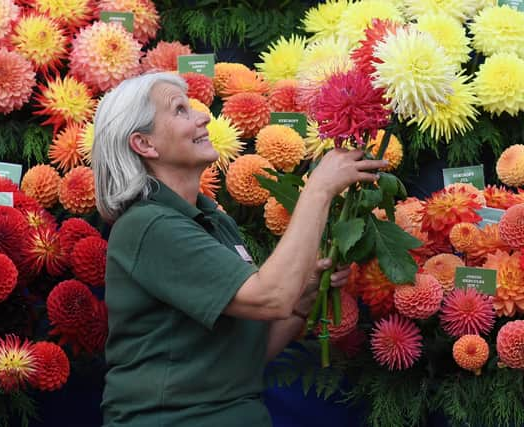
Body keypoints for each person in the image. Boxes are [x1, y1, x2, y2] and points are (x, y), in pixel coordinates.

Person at [92, 72, 387, 427]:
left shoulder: (214, 220)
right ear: (144, 144)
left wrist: (303, 301)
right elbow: (271, 296)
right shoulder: (149, 225)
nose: (203, 116)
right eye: (181, 111)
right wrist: (319, 188)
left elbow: (249, 352)